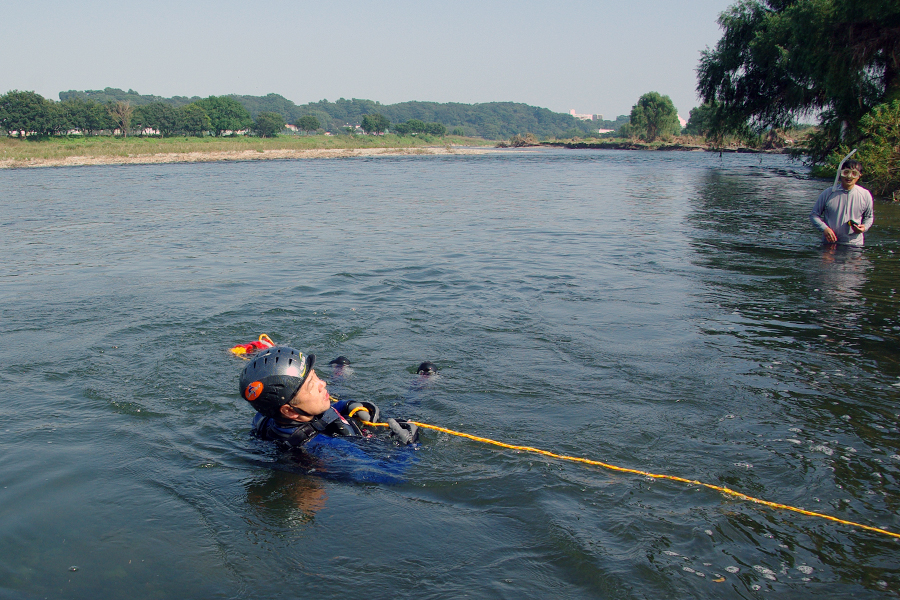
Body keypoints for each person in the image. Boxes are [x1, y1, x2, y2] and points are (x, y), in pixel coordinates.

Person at [238, 346, 419, 448]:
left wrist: (347, 405)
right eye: (311, 384)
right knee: (406, 410)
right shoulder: (323, 446)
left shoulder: (268, 417)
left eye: (315, 375)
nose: (322, 383)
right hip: (360, 443)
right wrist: (409, 446)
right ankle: (420, 386)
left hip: (320, 415)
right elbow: (388, 476)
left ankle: (339, 373)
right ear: (288, 410)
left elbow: (325, 411)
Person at [809, 159, 874, 246]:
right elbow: (814, 215)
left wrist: (864, 228)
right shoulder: (828, 193)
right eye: (846, 172)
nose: (849, 176)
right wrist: (824, 229)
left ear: (859, 176)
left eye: (854, 173)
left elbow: (869, 217)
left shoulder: (865, 194)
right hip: (829, 244)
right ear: (840, 173)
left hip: (855, 245)